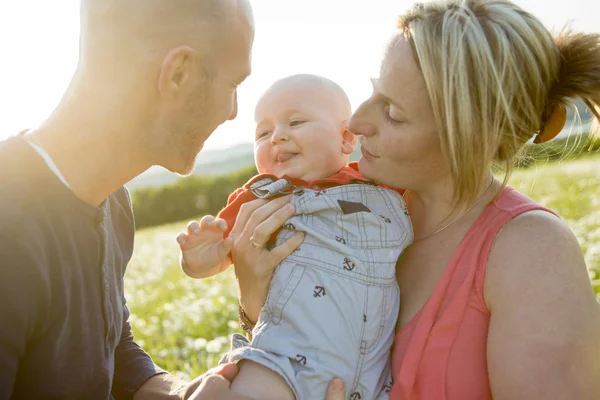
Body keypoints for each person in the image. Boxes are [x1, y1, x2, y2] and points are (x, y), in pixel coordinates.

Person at [227, 0, 600, 399]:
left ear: (468, 137)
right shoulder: (357, 210)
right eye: (374, 92)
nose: (356, 122)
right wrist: (254, 302)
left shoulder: (532, 251)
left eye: (392, 112)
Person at [0, 0, 259, 398]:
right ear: (178, 74)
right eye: (234, 84)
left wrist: (176, 394)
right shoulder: (9, 222)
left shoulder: (112, 201)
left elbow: (111, 346)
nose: (232, 112)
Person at [177, 74, 413, 400]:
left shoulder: (379, 184)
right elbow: (216, 256)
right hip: (285, 360)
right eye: (263, 132)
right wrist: (198, 256)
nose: (276, 137)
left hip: (375, 372)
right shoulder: (259, 197)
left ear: (346, 138)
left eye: (296, 122)